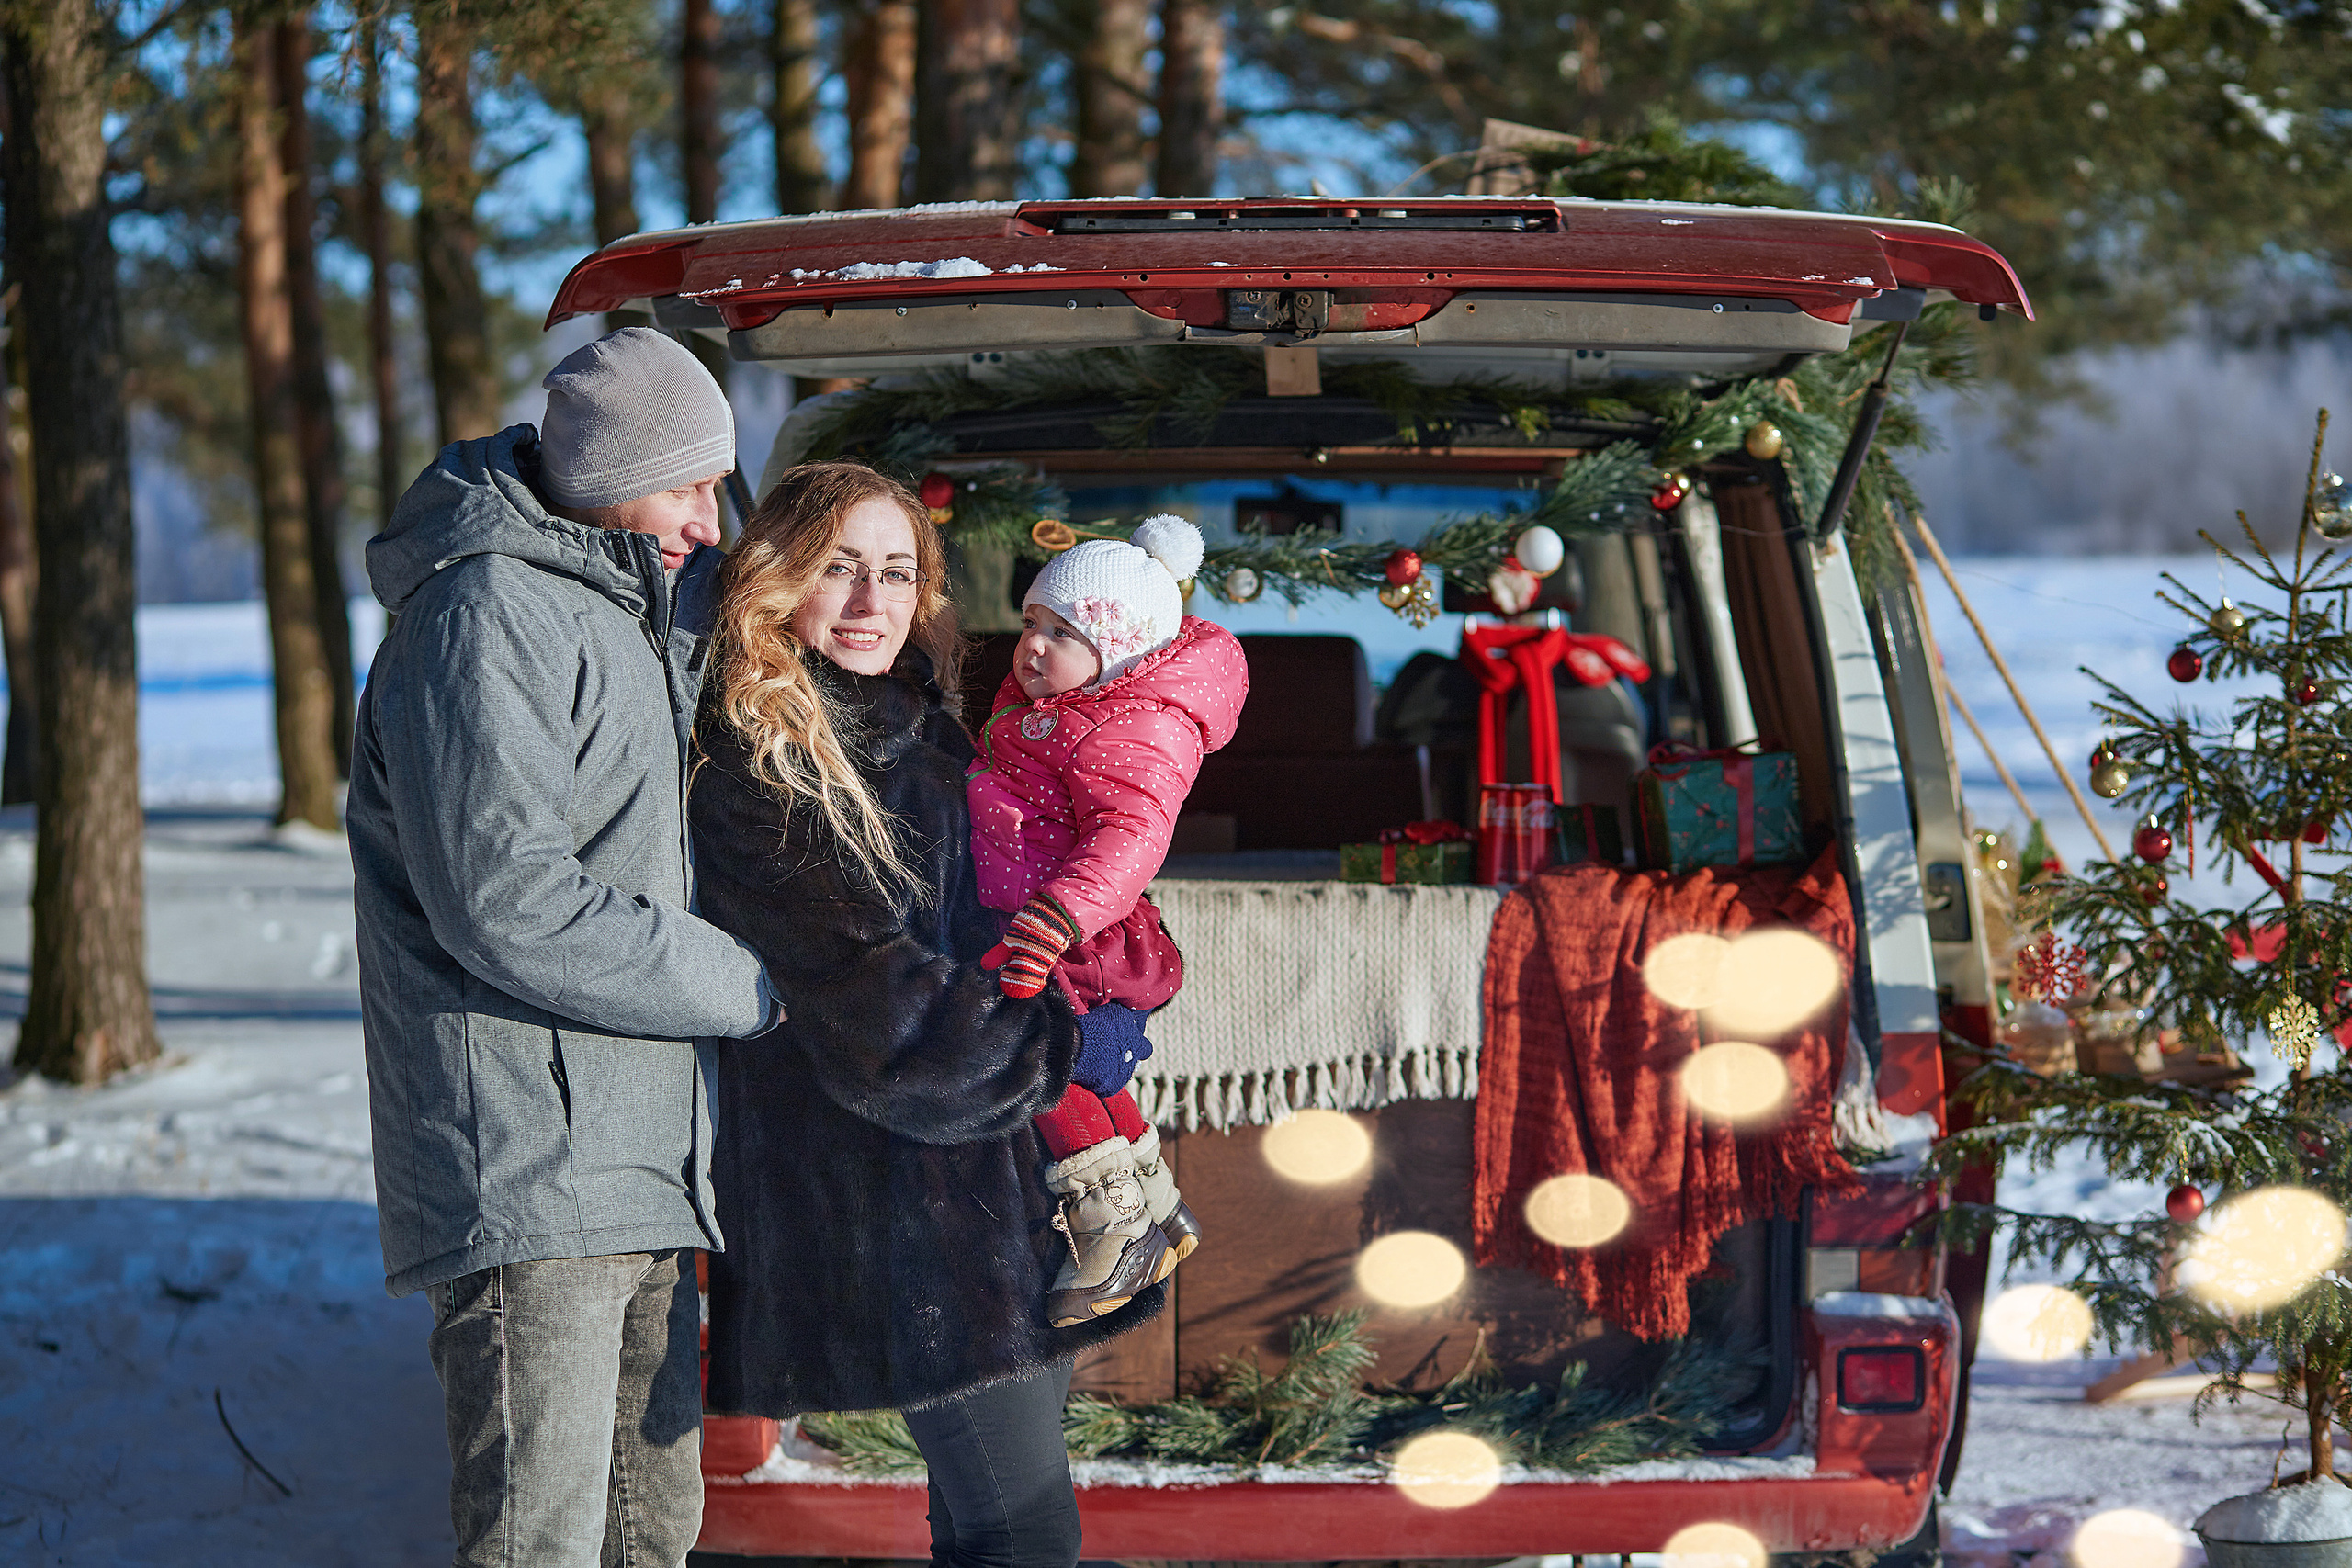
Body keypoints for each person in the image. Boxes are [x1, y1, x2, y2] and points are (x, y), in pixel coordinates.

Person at [349, 326, 780, 1568]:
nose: (708, 518)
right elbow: (507, 897)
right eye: (687, 484)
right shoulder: (486, 612)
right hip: (535, 1168)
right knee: (540, 1539)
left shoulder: (621, 605)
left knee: (654, 1532)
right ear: (600, 478)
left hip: (645, 1157)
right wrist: (748, 983)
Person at [690, 461, 1163, 1568]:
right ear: (775, 576)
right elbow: (880, 1019)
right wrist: (1065, 1046)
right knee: (1020, 1528)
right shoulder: (762, 762)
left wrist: (1105, 957)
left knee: (994, 1521)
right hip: (895, 1199)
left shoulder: (925, 723)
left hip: (983, 1181)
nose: (870, 602)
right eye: (838, 568)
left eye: (896, 573)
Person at [965, 515, 1248, 1325]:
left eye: (1063, 632)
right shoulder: (1058, 706)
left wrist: (1056, 917)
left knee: (1038, 1060)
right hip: (1036, 917)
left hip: (1064, 930)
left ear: (1117, 650)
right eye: (1031, 623)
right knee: (1087, 1069)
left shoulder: (1127, 728)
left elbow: (1133, 839)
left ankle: (1113, 1228)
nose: (1032, 646)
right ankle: (1157, 1202)